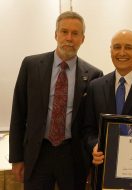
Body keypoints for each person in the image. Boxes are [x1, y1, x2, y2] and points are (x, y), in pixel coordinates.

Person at [9, 11, 103, 190]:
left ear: (83, 38)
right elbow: (18, 113)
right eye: (64, 31)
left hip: (73, 156)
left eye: (75, 33)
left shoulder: (93, 75)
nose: (69, 38)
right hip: (38, 154)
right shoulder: (31, 65)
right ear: (55, 34)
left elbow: (91, 123)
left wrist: (91, 163)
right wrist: (17, 157)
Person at [83, 29, 132, 189]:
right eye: (117, 47)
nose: (122, 52)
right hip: (103, 171)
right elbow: (88, 128)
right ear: (110, 51)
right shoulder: (95, 86)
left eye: (128, 47)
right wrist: (94, 146)